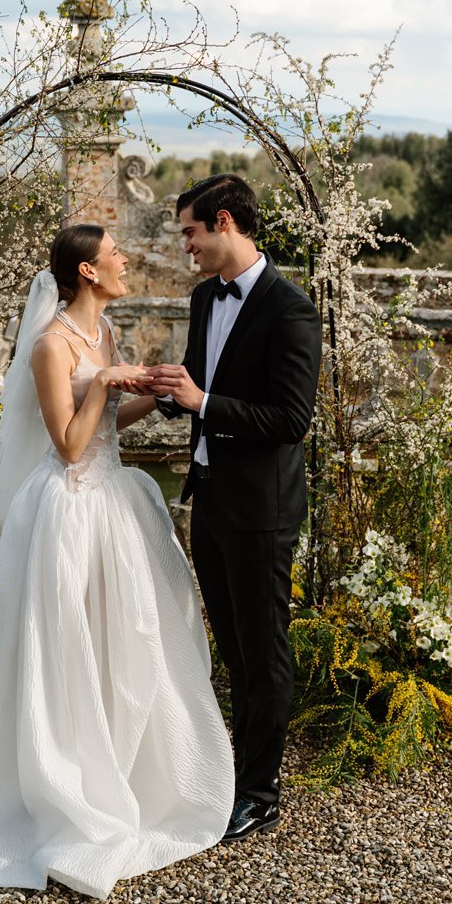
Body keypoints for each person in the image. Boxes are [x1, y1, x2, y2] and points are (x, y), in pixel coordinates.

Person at [0, 225, 233, 898]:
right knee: (61, 649)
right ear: (87, 270)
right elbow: (70, 446)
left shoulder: (103, 334)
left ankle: (123, 770)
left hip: (114, 505)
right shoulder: (49, 346)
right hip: (68, 511)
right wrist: (103, 381)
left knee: (121, 644)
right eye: (114, 254)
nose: (126, 259)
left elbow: (104, 425)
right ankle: (59, 788)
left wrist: (150, 393)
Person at [139, 174, 321, 843]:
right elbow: (198, 386)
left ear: (222, 222)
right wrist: (165, 391)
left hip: (263, 510)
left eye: (189, 231)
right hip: (209, 499)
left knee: (264, 651)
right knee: (232, 652)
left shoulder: (291, 309)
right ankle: (231, 774)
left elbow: (291, 419)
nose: (184, 244)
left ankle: (261, 794)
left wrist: (204, 403)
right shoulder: (201, 298)